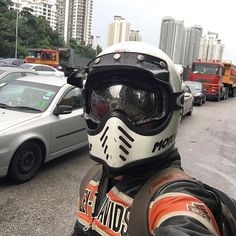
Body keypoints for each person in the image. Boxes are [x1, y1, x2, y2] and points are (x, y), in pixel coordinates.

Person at [68, 42, 235, 236]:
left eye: (137, 106)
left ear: (172, 106)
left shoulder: (175, 198)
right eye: (105, 103)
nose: (115, 123)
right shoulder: (93, 179)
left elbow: (186, 224)